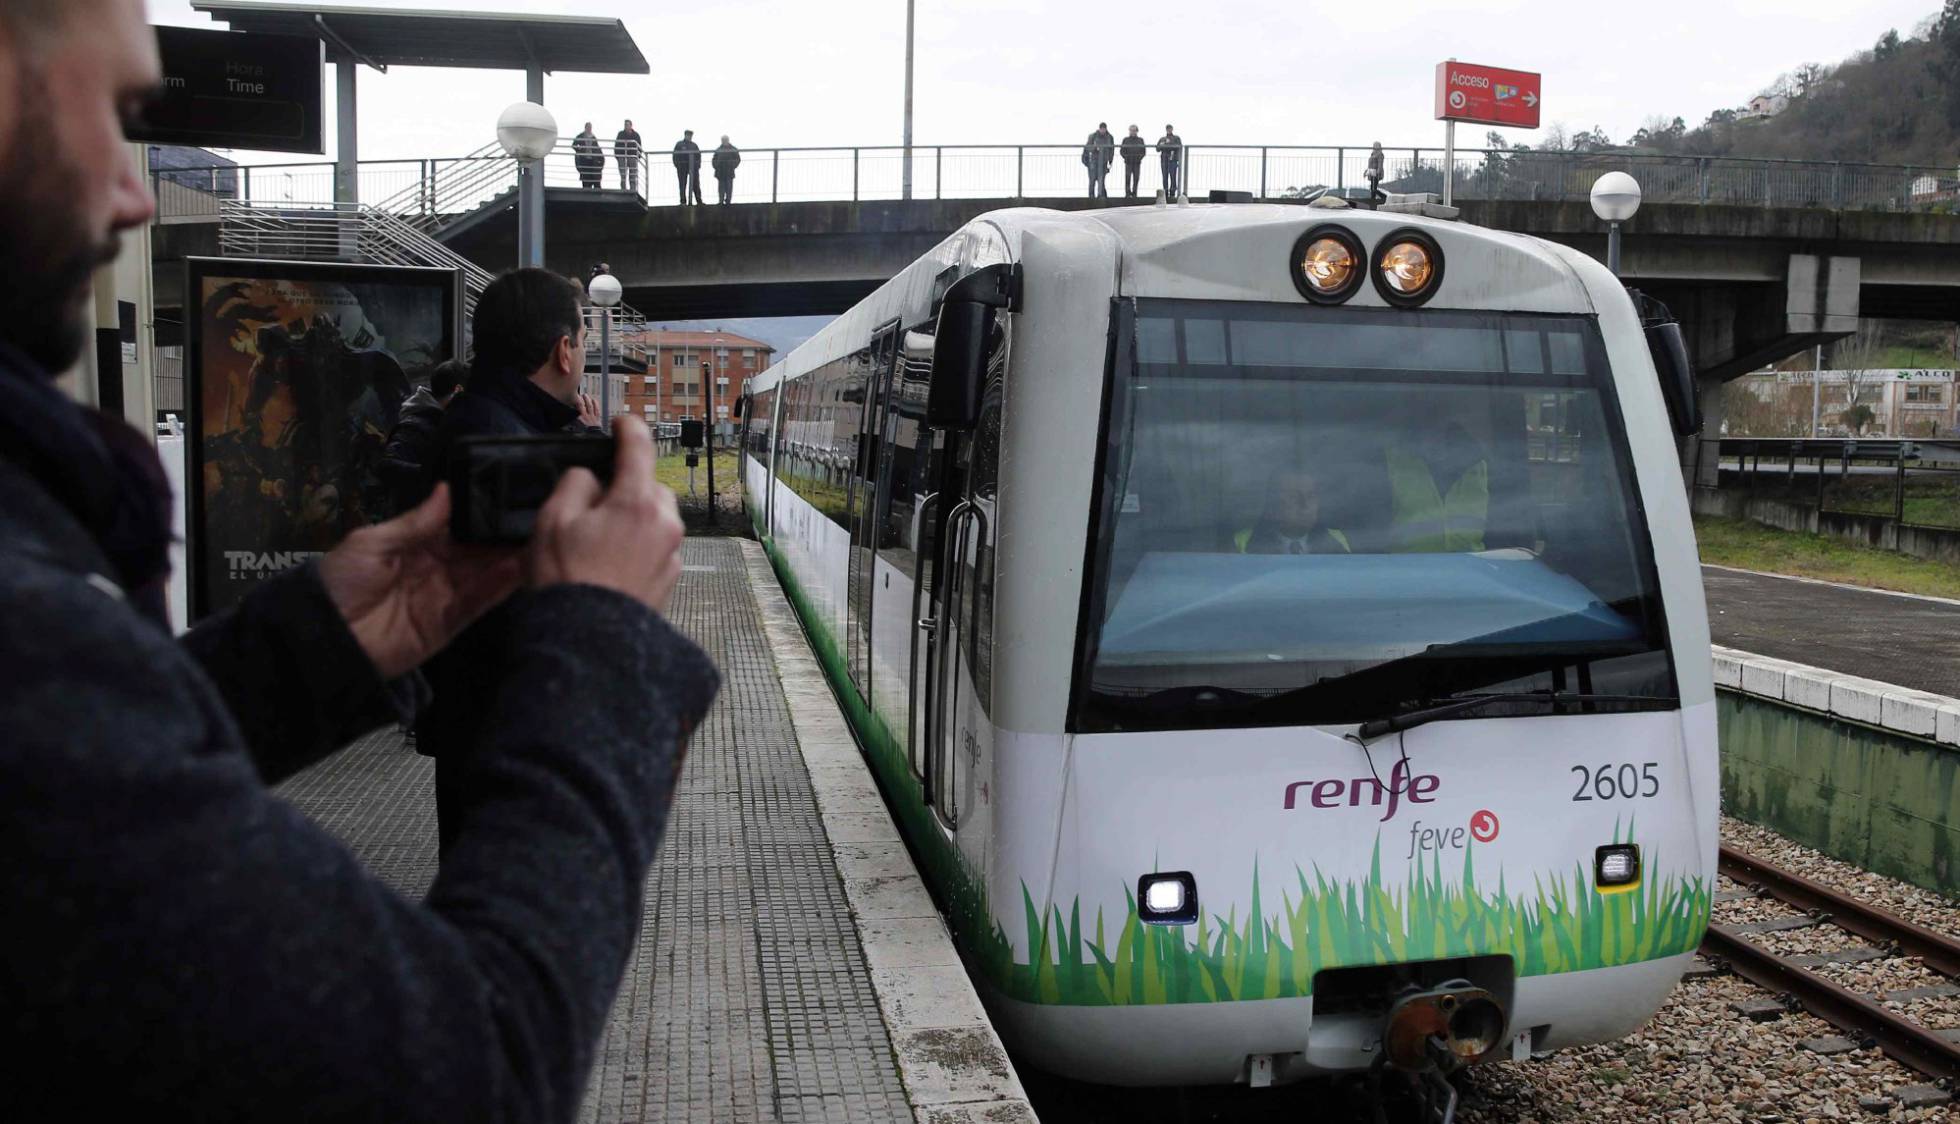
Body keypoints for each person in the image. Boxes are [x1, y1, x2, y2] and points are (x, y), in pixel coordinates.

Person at [0, 4, 720, 1121]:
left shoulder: (39, 552)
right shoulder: (28, 611)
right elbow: (478, 1065)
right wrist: (607, 655)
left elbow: (83, 783)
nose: (137, 191)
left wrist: (308, 650)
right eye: (112, 111)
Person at [417, 268, 618, 849]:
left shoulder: (483, 423)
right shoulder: (499, 447)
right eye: (582, 339)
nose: (582, 354)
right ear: (563, 350)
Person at [375, 357, 467, 517]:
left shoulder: (447, 423)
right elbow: (387, 466)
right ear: (458, 391)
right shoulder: (416, 425)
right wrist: (434, 475)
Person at [1385, 419, 1489, 553]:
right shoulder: (1390, 465)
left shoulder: (1479, 467)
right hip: (1403, 571)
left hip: (1472, 570)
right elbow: (1371, 540)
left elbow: (1506, 547)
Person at [1235, 468, 1350, 554]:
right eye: (1294, 497)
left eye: (1311, 496)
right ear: (1273, 504)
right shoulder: (1241, 542)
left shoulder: (1337, 539)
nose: (1305, 504)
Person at [1082, 121, 1114, 199]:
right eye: (1101, 129)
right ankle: (1091, 197)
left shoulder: (1109, 137)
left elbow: (1112, 150)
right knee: (1092, 180)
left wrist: (1110, 161)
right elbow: (1087, 148)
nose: (1103, 130)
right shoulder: (1093, 136)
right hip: (1093, 161)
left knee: (1101, 180)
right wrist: (1094, 148)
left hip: (1104, 161)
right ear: (1099, 129)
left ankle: (1101, 196)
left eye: (1104, 129)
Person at [672, 129, 702, 205]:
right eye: (688, 135)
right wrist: (677, 165)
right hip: (682, 167)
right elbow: (675, 155)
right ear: (685, 135)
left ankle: (699, 200)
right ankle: (683, 201)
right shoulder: (679, 144)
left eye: (690, 135)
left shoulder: (694, 145)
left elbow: (698, 156)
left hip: (693, 168)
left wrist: (697, 166)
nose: (689, 137)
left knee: (696, 184)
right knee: (682, 184)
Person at [572, 122, 604, 189]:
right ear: (585, 128)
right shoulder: (581, 136)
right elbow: (574, 144)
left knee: (595, 180)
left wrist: (600, 163)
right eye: (588, 127)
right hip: (584, 159)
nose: (589, 129)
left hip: (593, 161)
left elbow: (598, 150)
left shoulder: (593, 137)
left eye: (590, 127)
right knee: (586, 180)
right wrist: (579, 150)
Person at [614, 118, 642, 193]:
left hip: (632, 157)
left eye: (627, 125)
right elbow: (616, 145)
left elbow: (639, 147)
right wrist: (618, 156)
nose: (626, 126)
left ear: (631, 125)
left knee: (633, 175)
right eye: (625, 125)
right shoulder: (620, 134)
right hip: (622, 157)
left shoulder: (636, 135)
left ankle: (632, 190)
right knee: (623, 174)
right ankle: (623, 189)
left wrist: (637, 157)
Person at [1119, 125, 1147, 198]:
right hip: (1128, 162)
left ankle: (1135, 193)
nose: (1132, 132)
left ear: (1137, 131)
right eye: (1131, 130)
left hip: (1137, 162)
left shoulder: (1140, 140)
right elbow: (1122, 151)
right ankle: (1127, 193)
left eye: (1134, 130)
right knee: (1127, 178)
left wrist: (1139, 158)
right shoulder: (1125, 140)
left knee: (1136, 178)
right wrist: (1126, 157)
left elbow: (1143, 151)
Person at [712, 135, 741, 204]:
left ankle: (728, 200)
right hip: (720, 171)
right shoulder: (718, 149)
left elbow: (738, 159)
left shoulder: (733, 149)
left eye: (725, 140)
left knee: (729, 187)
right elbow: (714, 160)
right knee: (721, 187)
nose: (724, 141)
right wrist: (717, 166)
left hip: (729, 170)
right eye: (723, 140)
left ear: (728, 140)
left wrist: (732, 165)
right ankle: (721, 200)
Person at [1157, 124, 1184, 199]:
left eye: (1170, 129)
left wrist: (1167, 144)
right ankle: (1165, 192)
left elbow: (1179, 147)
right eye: (1167, 129)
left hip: (1173, 160)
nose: (1169, 130)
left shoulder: (1176, 138)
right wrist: (1164, 145)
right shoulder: (1162, 138)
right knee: (1164, 176)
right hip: (1164, 160)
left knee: (1173, 176)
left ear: (1172, 129)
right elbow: (1157, 148)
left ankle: (1172, 192)